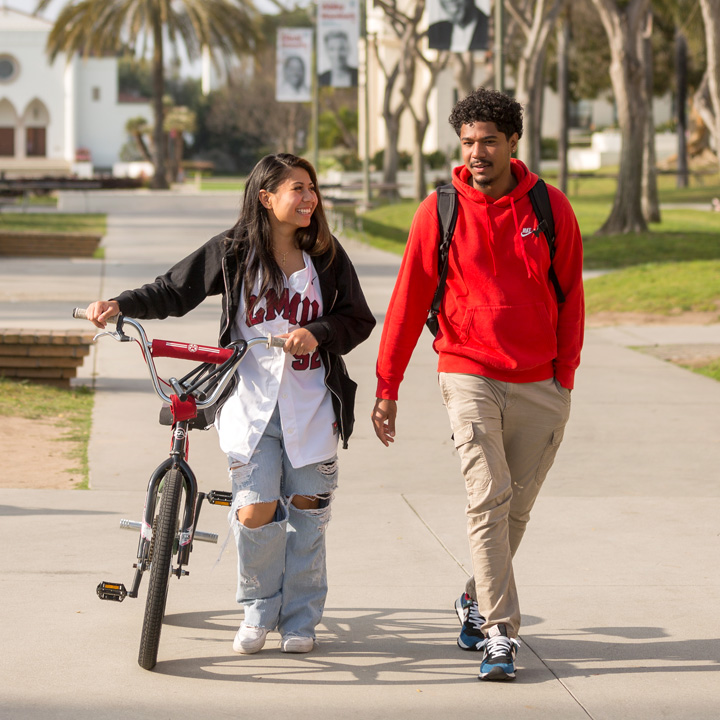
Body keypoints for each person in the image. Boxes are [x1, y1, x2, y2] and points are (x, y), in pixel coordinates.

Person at [85, 153, 376, 655]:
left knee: (308, 513)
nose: (309, 198)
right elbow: (174, 290)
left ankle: (302, 618)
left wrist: (319, 332)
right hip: (250, 405)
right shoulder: (233, 251)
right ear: (267, 197)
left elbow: (358, 318)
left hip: (313, 408)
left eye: (312, 189)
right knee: (255, 511)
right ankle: (259, 609)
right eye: (297, 189)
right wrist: (121, 304)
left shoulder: (325, 256)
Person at [371, 88, 584, 681]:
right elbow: (408, 303)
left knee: (514, 510)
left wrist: (563, 378)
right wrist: (387, 386)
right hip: (467, 371)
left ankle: (474, 597)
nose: (477, 152)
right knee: (488, 495)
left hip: (541, 380)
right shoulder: (438, 210)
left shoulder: (549, 207)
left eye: (489, 140)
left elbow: (571, 299)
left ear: (513, 141)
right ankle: (499, 633)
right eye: (467, 142)